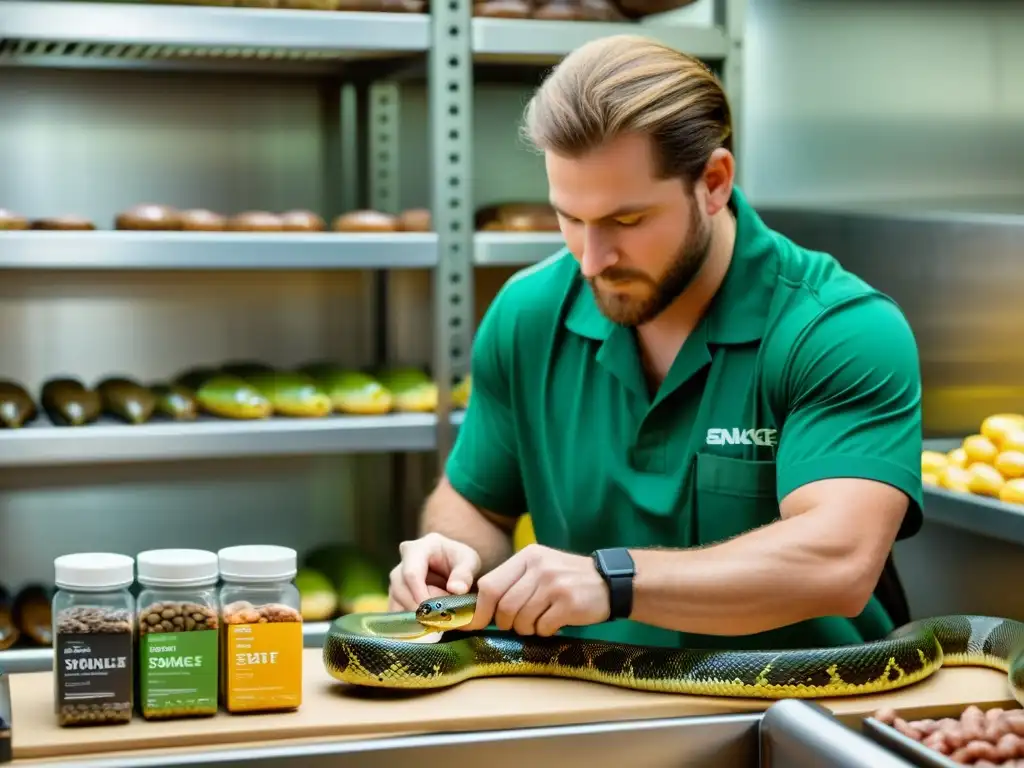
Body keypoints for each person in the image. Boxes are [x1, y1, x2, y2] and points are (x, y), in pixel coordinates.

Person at [389, 34, 924, 654]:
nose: (591, 260)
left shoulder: (837, 330)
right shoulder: (526, 314)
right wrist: (452, 559)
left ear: (715, 182)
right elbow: (475, 504)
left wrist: (612, 582)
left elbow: (837, 562)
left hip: (805, 715)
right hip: (592, 711)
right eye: (569, 217)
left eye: (626, 220)